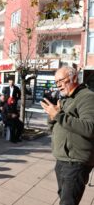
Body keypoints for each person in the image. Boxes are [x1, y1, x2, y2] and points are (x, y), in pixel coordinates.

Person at [40, 66, 94, 205]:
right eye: (56, 82)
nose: (58, 85)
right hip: (63, 160)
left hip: (75, 162)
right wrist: (53, 116)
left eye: (61, 80)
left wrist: (58, 115)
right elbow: (53, 127)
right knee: (64, 198)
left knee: (68, 202)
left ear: (74, 78)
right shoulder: (66, 99)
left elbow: (90, 128)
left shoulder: (87, 97)